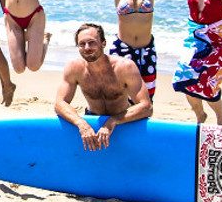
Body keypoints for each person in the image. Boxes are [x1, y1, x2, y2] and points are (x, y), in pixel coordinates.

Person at [55, 23, 153, 152]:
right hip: (92, 118)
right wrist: (81, 123)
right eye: (82, 44)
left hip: (123, 120)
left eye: (92, 42)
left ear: (103, 43)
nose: (87, 48)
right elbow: (59, 103)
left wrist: (113, 121)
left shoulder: (124, 67)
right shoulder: (74, 68)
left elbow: (146, 107)